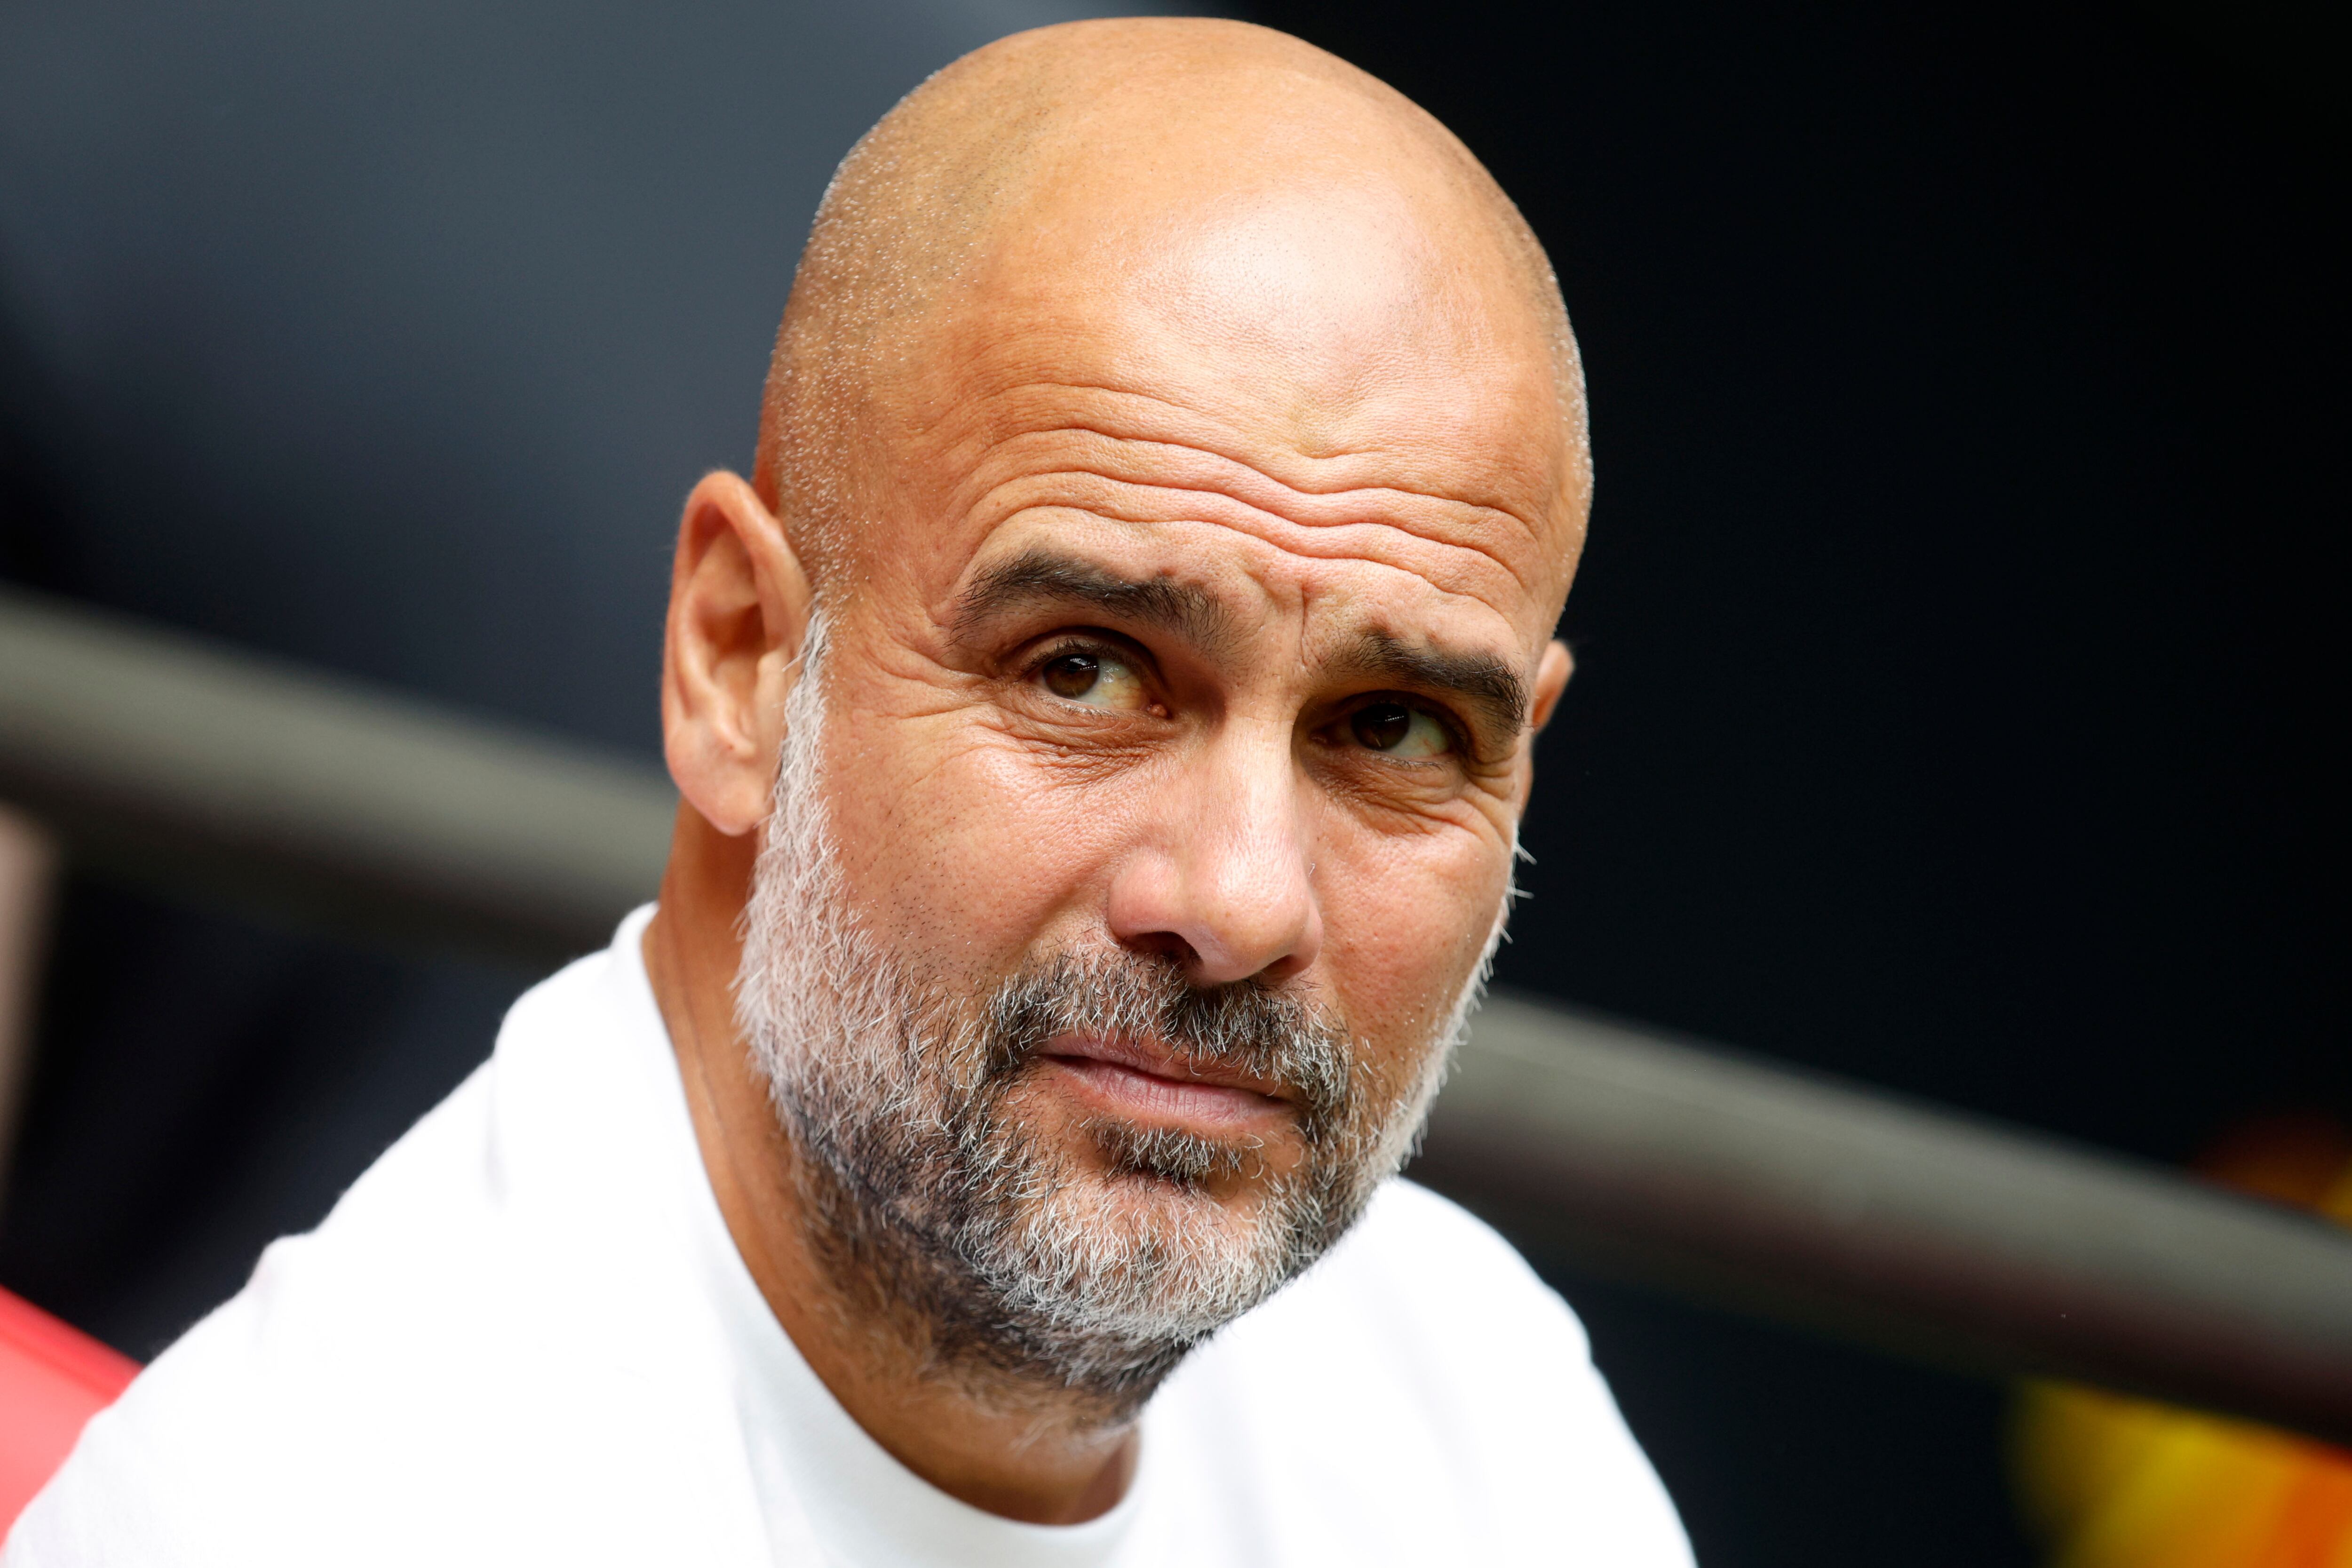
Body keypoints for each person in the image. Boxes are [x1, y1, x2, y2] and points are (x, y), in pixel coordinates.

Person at [7, 18, 1691, 1566]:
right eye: (1084, 670)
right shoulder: (313, 1519)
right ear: (740, 662)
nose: (1242, 898)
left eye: (1391, 730)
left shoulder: (1479, 1419)